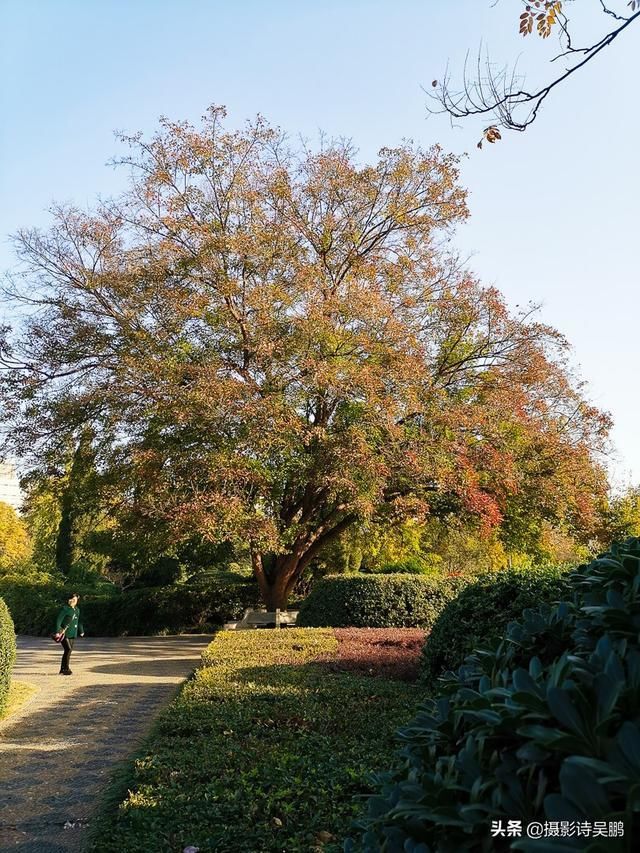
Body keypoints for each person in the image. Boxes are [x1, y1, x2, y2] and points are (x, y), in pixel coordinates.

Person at [55, 593, 84, 675]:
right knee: (68, 649)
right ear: (69, 600)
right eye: (73, 600)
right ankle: (66, 668)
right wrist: (57, 631)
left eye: (76, 600)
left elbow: (79, 621)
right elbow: (58, 620)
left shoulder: (77, 610)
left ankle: (62, 669)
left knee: (68, 651)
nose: (74, 601)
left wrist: (81, 630)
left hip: (73, 633)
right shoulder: (65, 609)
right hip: (64, 633)